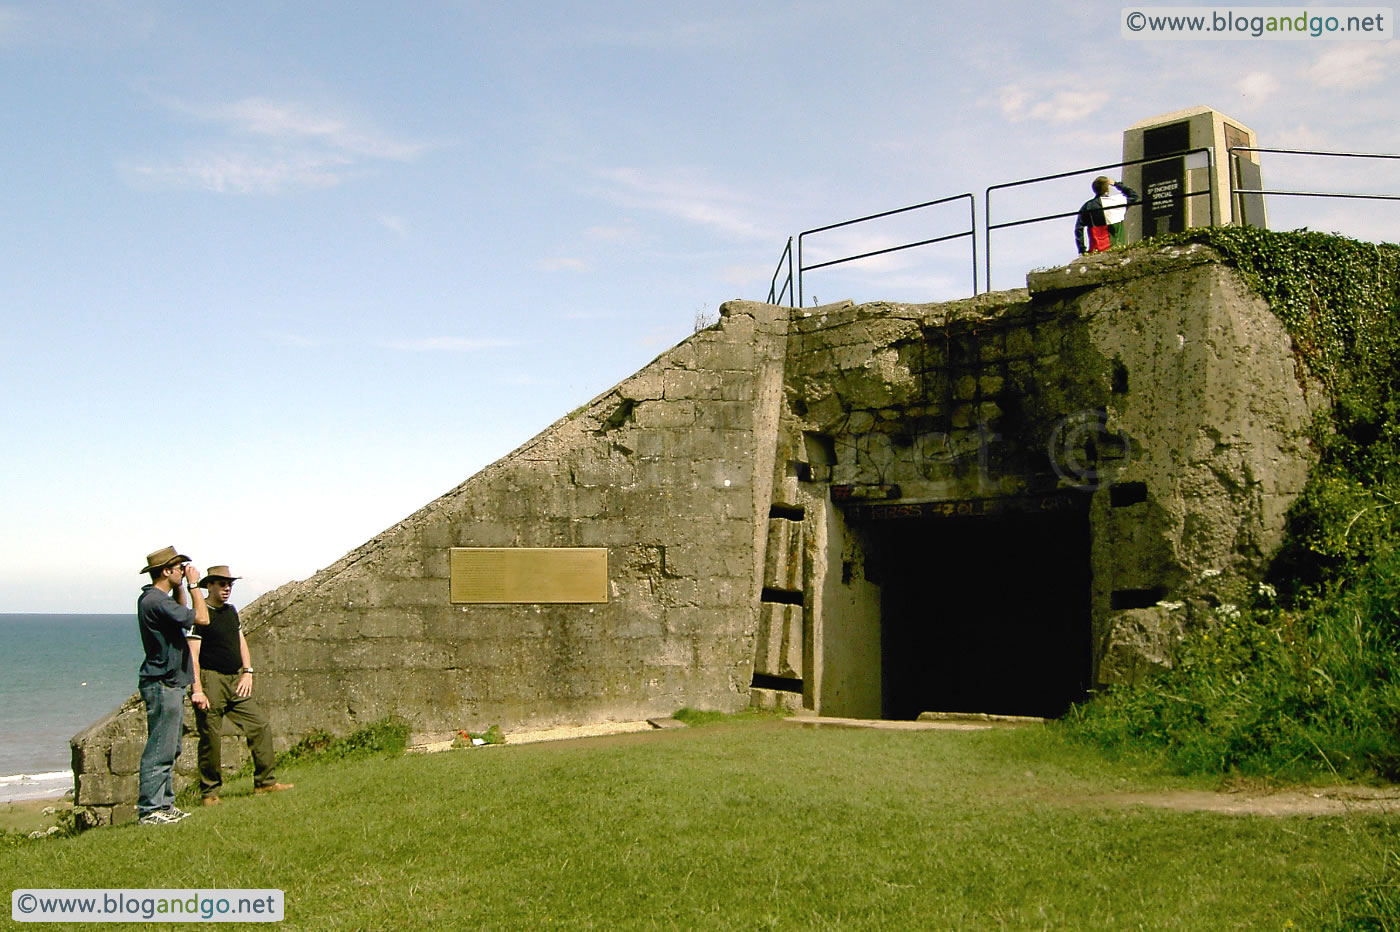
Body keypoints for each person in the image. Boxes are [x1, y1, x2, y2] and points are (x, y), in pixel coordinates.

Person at [188, 565, 293, 804]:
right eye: (222, 584)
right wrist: (197, 689)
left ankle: (265, 782)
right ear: (210, 585)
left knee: (260, 724)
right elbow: (191, 655)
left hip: (235, 679)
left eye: (229, 585)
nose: (227, 589)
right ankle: (210, 793)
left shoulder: (230, 611)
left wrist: (248, 671)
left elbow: (240, 640)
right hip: (210, 680)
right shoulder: (200, 615)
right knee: (211, 738)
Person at [136, 545, 210, 825]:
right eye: (178, 568)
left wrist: (181, 586)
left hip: (169, 681)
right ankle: (150, 810)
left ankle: (164, 804)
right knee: (159, 748)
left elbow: (181, 611)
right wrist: (193, 585)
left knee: (170, 747)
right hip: (163, 682)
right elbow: (201, 618)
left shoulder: (156, 599)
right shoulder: (155, 601)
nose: (183, 570)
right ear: (166, 571)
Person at [1075, 176, 1141, 254]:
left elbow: (1078, 229)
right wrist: (1116, 184)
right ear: (1107, 189)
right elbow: (1134, 195)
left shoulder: (1088, 206)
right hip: (1117, 249)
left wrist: (1082, 249)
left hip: (1096, 251)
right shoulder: (1118, 201)